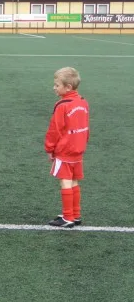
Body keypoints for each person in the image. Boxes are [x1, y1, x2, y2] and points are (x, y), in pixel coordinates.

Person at [45, 67, 89, 228]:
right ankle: (75, 215)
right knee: (74, 181)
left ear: (68, 87)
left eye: (57, 85)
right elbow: (86, 126)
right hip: (78, 148)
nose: (54, 88)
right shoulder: (83, 102)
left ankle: (68, 217)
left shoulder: (62, 105)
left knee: (65, 181)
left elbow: (55, 129)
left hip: (65, 149)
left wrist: (50, 148)